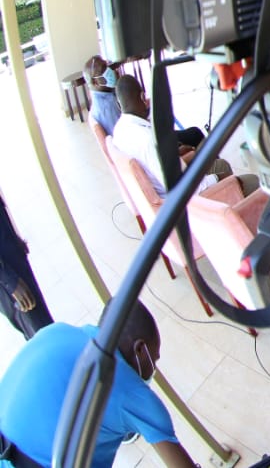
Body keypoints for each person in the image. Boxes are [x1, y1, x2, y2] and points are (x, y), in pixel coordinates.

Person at [0, 302, 199, 468]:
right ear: (140, 349)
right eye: (154, 358)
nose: (154, 367)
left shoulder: (56, 331)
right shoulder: (133, 395)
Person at [111, 75, 239, 196]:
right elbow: (177, 187)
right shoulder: (148, 140)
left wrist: (178, 156)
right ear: (143, 96)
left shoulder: (119, 130)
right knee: (224, 168)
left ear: (119, 104)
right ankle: (234, 196)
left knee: (205, 148)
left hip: (162, 182)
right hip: (181, 196)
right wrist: (217, 178)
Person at [0, 191, 52, 339]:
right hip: (9, 278)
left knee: (43, 327)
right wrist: (10, 281)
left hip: (12, 259)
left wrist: (14, 237)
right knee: (42, 333)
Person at [83, 55, 121, 136]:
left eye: (107, 66)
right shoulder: (106, 106)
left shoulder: (102, 94)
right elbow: (120, 135)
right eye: (104, 70)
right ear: (95, 82)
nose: (110, 71)